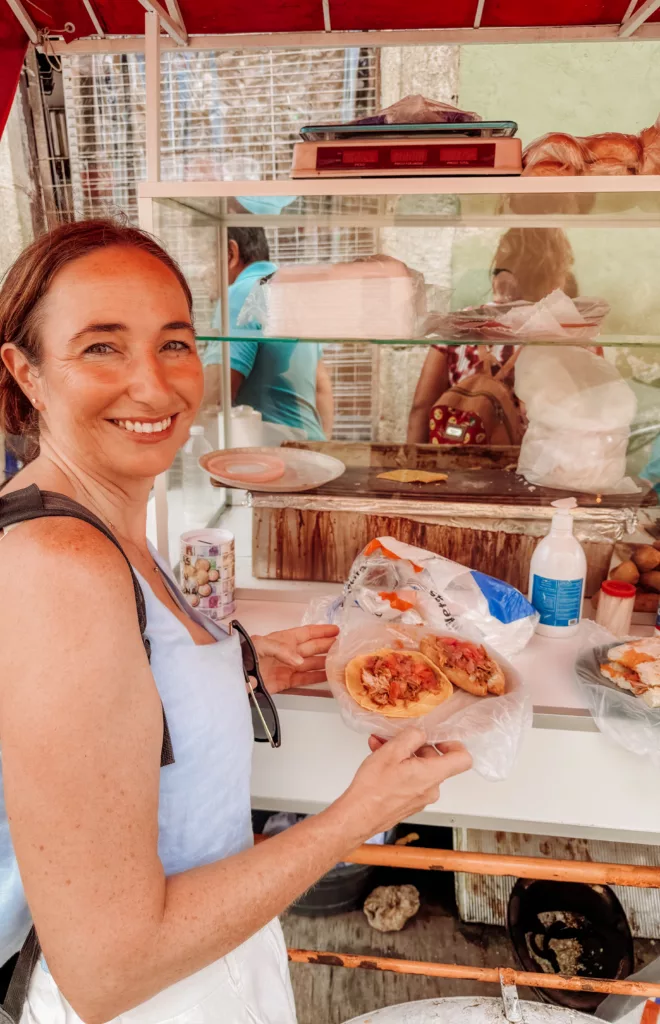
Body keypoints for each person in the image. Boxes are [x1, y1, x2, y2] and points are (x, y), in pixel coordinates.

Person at [0, 220, 471, 1024]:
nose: (152, 386)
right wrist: (361, 813)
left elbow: (126, 691)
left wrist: (237, 661)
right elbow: (108, 968)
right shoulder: (60, 569)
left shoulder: (103, 524)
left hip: (209, 961)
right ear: (27, 371)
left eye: (174, 344)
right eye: (101, 347)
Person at [407, 228, 578, 444]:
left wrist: (415, 465)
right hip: (528, 467)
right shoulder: (563, 331)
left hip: (460, 461)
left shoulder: (461, 323)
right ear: (553, 274)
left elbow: (421, 407)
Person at [203, 226, 333, 440]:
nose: (203, 273)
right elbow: (321, 386)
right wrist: (322, 448)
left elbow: (218, 390)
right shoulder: (292, 294)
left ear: (230, 253)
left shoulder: (238, 295)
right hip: (310, 450)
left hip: (273, 458)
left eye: (207, 260)